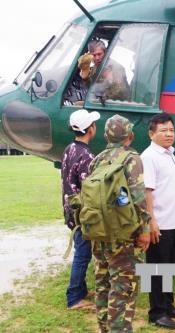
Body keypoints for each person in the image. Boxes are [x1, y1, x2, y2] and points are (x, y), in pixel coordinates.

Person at [90, 114, 151, 333]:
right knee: (123, 287)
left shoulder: (96, 160)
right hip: (124, 235)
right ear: (131, 136)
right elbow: (137, 197)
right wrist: (144, 229)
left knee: (103, 282)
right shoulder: (131, 158)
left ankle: (104, 328)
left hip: (98, 232)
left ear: (106, 136)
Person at [140, 113, 175, 330]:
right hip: (159, 223)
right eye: (164, 130)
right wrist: (151, 221)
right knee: (157, 269)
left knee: (169, 266)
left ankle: (168, 305)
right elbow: (146, 191)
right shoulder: (149, 156)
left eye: (171, 130)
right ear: (151, 134)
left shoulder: (169, 154)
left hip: (173, 222)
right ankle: (157, 312)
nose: (169, 134)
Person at [61, 109, 100, 310]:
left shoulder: (69, 149)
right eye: (93, 123)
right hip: (82, 213)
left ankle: (81, 290)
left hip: (70, 209)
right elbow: (90, 188)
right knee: (83, 254)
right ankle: (74, 297)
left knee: (81, 250)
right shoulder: (86, 155)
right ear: (90, 129)